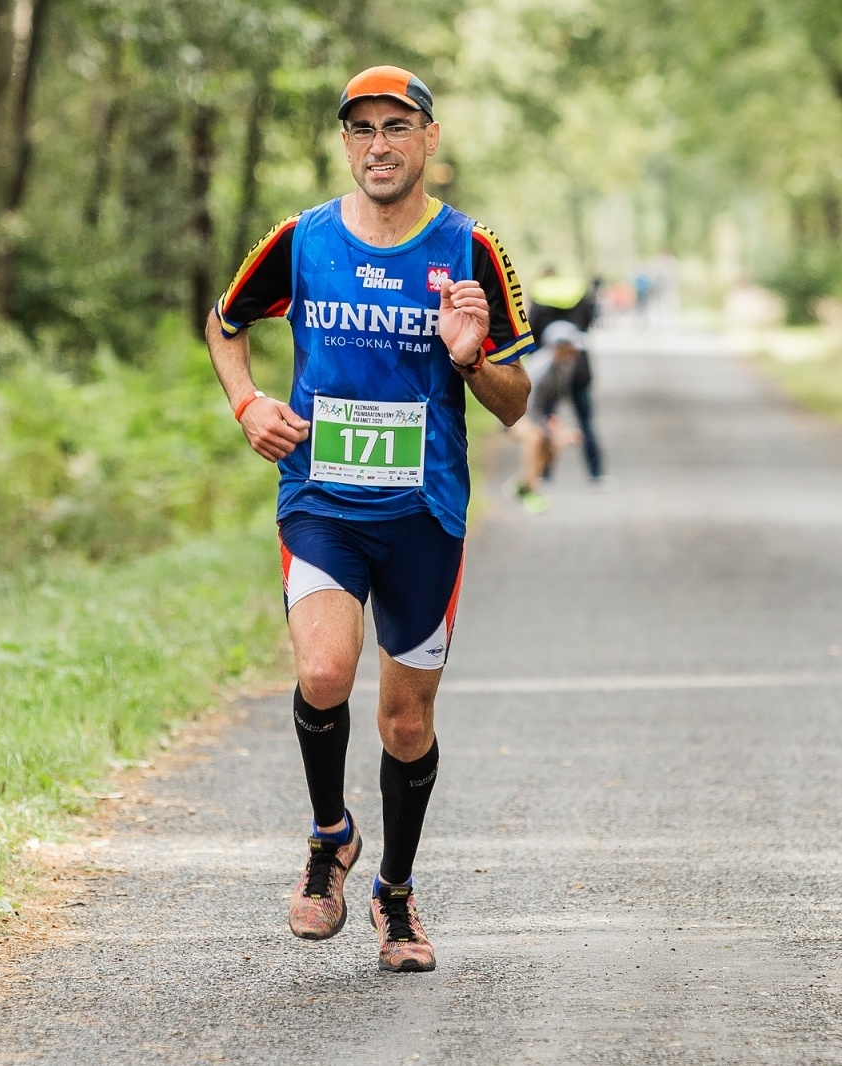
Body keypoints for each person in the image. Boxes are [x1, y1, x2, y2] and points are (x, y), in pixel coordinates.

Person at [205, 65, 533, 973]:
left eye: (397, 127)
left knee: (403, 725)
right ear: (347, 144)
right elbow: (224, 321)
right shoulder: (303, 240)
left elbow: (515, 401)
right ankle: (328, 840)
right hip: (322, 500)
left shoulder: (472, 251)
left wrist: (470, 360)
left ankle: (395, 895)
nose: (379, 145)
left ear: (430, 138)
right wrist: (247, 407)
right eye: (362, 130)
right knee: (321, 671)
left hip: (425, 513)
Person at [526, 271, 605, 483]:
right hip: (579, 369)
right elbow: (590, 321)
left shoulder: (539, 296)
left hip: (551, 368)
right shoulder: (578, 292)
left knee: (545, 420)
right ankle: (596, 473)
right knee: (586, 422)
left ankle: (544, 474)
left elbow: (529, 329)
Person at [509, 321, 587, 513]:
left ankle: (522, 485)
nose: (575, 352)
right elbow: (527, 404)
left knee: (551, 449)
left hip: (537, 415)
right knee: (536, 439)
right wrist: (548, 430)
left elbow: (557, 401)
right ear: (558, 347)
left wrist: (556, 426)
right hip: (516, 413)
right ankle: (531, 492)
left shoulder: (566, 366)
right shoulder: (540, 368)